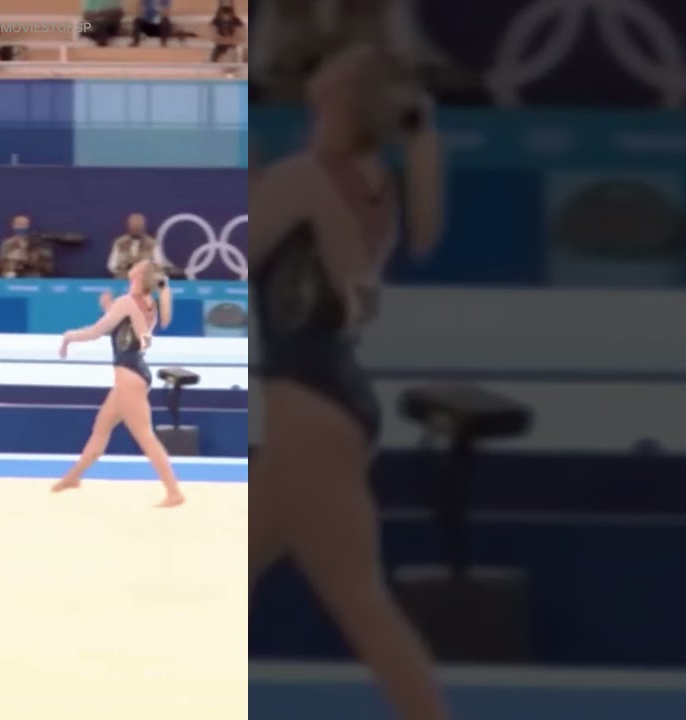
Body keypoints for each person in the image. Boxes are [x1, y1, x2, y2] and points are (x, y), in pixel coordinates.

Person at [248, 45, 448, 720]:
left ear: (338, 94)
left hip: (308, 410)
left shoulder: (302, 178)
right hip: (323, 404)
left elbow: (223, 259)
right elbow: (364, 289)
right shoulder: (376, 182)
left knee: (364, 609)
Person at [52, 260, 184, 508]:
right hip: (133, 374)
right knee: (101, 428)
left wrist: (69, 337)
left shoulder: (127, 302)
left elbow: (95, 332)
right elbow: (129, 327)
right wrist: (109, 308)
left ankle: (174, 492)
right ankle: (73, 477)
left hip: (128, 377)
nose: (134, 265)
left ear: (139, 275)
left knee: (145, 437)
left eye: (139, 265)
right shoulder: (148, 303)